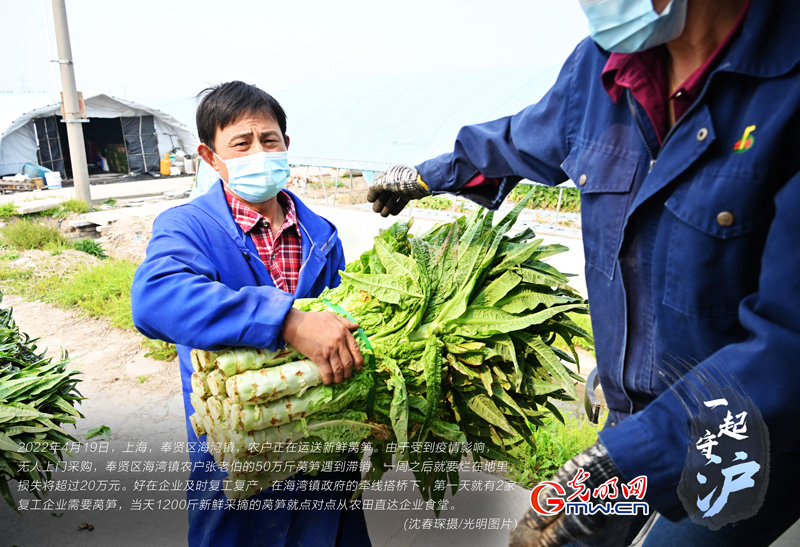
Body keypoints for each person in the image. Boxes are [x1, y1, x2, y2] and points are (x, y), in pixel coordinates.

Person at [367, 0, 800, 545]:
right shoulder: (600, 68)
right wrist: (432, 174)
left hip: (745, 432)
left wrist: (619, 464)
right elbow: (524, 137)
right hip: (633, 411)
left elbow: (790, 343)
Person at [131, 81, 371, 547]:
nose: (259, 151)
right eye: (241, 143)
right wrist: (286, 320)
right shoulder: (188, 226)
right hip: (238, 444)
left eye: (270, 140)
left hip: (321, 443)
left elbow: (343, 318)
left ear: (286, 145)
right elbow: (155, 298)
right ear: (210, 156)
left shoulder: (321, 233)